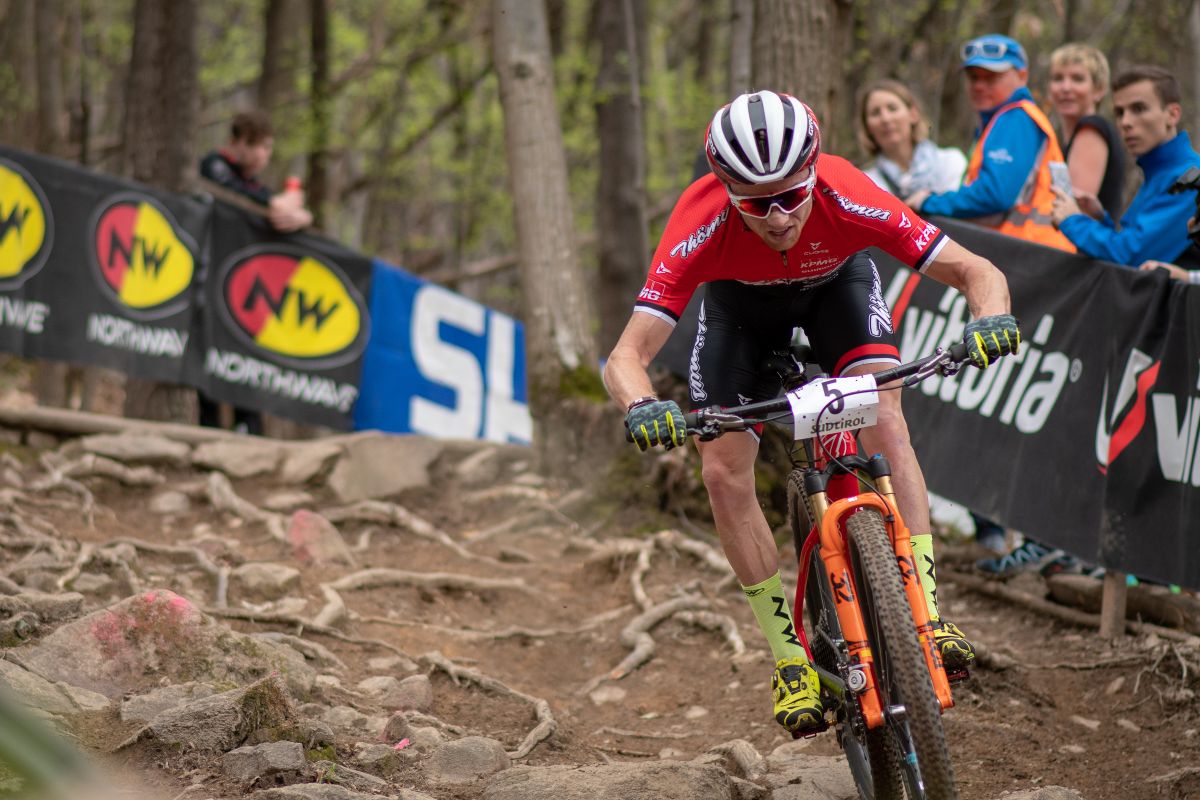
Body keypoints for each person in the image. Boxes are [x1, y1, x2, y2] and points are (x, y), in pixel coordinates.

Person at [604, 90, 1020, 735]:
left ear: (813, 174)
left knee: (884, 415)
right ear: (726, 193)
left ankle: (928, 615)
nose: (776, 217)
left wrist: (991, 321)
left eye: (791, 196)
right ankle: (790, 658)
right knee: (722, 471)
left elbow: (977, 271)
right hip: (739, 319)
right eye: (755, 203)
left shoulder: (848, 193)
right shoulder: (700, 221)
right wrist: (642, 405)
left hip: (837, 293)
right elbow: (626, 356)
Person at [198, 110, 313, 435]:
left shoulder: (253, 183)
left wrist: (302, 216)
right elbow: (242, 197)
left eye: (269, 148)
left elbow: (274, 212)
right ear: (238, 144)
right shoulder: (214, 165)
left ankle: (247, 427)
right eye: (259, 147)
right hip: (208, 281)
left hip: (243, 288)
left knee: (244, 354)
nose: (265, 155)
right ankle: (208, 428)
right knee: (210, 359)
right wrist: (278, 204)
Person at [905, 33, 1075, 252]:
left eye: (991, 78)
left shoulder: (1015, 118)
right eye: (973, 77)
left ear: (1022, 76)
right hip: (1032, 251)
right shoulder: (1002, 121)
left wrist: (929, 202)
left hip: (1034, 253)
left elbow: (995, 195)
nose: (979, 86)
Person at [1052, 66, 1200, 267]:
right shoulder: (1159, 173)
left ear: (1172, 115)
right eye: (1119, 113)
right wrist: (1099, 219)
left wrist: (1073, 221)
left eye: (1139, 109)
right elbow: (1134, 245)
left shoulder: (1190, 177)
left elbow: (1133, 257)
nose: (1126, 122)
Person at [1047, 43, 1126, 219]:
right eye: (1058, 78)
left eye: (1077, 79)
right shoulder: (1065, 140)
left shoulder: (1091, 129)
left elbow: (1073, 212)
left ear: (1099, 90)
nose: (1065, 88)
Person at [857, 79, 967, 197]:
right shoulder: (864, 183)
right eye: (875, 113)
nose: (885, 119)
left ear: (913, 114)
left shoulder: (949, 162)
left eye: (892, 108)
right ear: (867, 127)